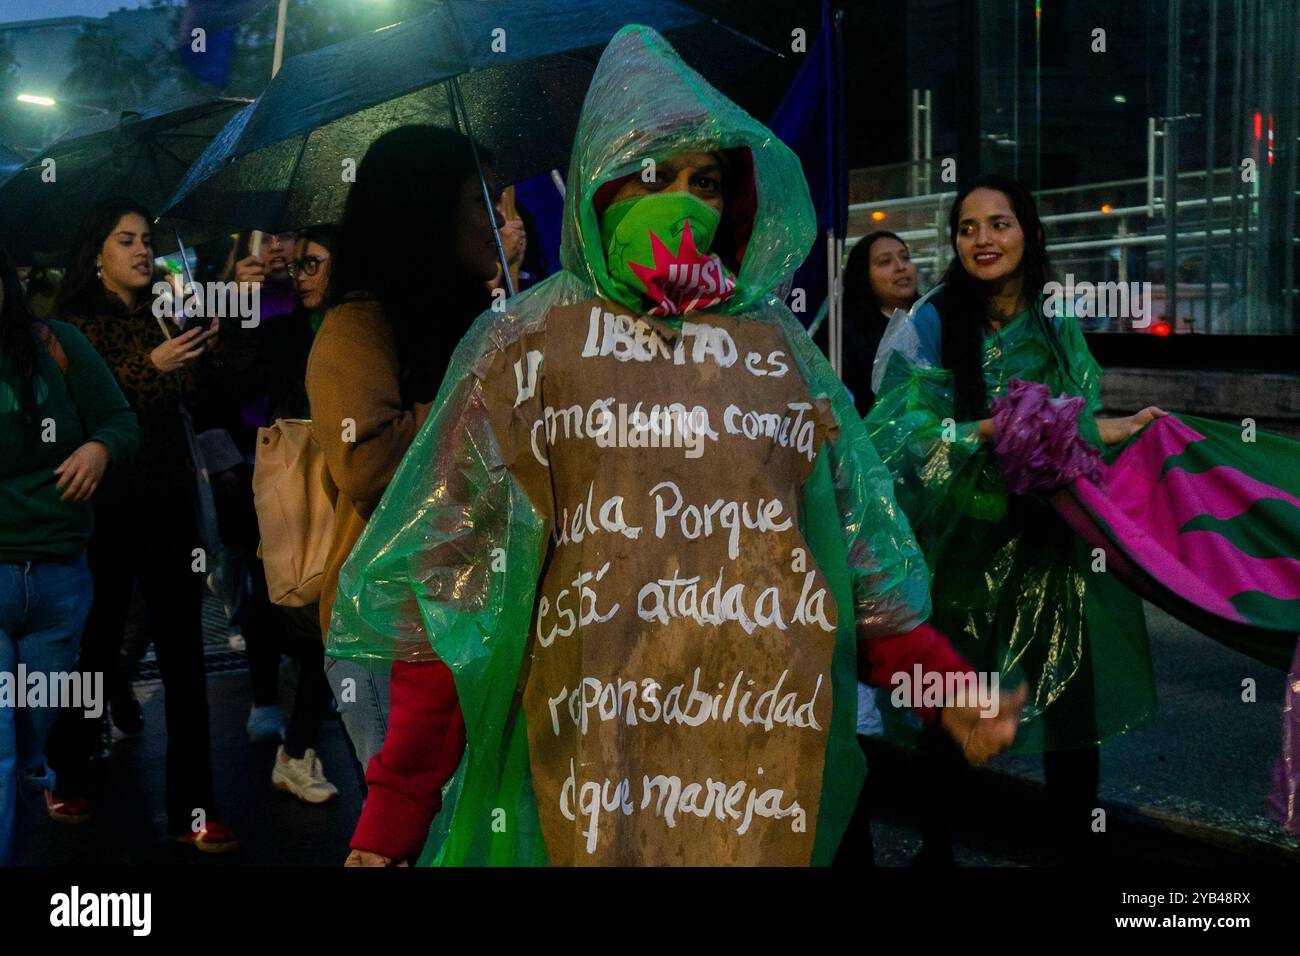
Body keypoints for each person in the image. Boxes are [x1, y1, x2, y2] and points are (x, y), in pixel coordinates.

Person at [327, 25, 1023, 867]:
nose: (684, 204)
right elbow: (454, 597)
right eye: (653, 175)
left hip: (747, 777)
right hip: (576, 785)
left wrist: (943, 686)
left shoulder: (778, 357)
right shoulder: (523, 350)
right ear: (601, 182)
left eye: (707, 182)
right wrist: (396, 812)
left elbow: (857, 567)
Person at [864, 174, 1166, 863]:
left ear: (1028, 233)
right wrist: (985, 433)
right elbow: (896, 432)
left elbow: (1074, 425)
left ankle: (1071, 851)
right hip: (963, 545)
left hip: (1051, 544)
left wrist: (1124, 428)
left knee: (1070, 705)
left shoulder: (1057, 324)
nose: (983, 239)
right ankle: (934, 850)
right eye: (967, 228)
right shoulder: (933, 322)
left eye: (998, 223)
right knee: (951, 703)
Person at [306, 125, 500, 862]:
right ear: (427, 210)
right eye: (482, 198)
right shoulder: (356, 327)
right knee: (414, 834)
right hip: (392, 635)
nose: (502, 219)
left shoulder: (471, 318)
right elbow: (369, 466)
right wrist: (485, 395)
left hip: (475, 615)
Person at [43, 199, 239, 853]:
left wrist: (210, 347)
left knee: (184, 653)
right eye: (123, 239)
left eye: (146, 239)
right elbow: (83, 415)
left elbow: (211, 402)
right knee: (95, 647)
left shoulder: (168, 311)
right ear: (95, 256)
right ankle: (69, 771)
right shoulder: (72, 330)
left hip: (168, 502)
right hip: (102, 509)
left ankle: (194, 807)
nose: (139, 250)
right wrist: (152, 369)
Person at [0, 246, 139, 864]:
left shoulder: (54, 343)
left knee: (29, 751)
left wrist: (99, 450)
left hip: (59, 584)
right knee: (1, 748)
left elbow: (119, 420)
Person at [839, 231, 918, 416]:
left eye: (905, 257)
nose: (901, 267)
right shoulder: (845, 334)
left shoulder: (933, 316)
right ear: (863, 275)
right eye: (885, 262)